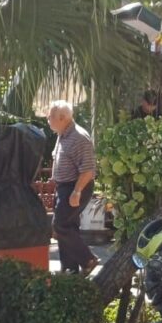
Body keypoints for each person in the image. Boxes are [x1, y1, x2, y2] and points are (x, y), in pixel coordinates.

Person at [47, 100, 99, 276]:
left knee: (60, 225)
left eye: (51, 116)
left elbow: (88, 170)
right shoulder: (63, 133)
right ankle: (69, 269)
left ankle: (88, 260)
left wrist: (76, 192)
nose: (48, 118)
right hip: (65, 187)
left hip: (76, 186)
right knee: (68, 226)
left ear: (62, 118)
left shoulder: (78, 137)